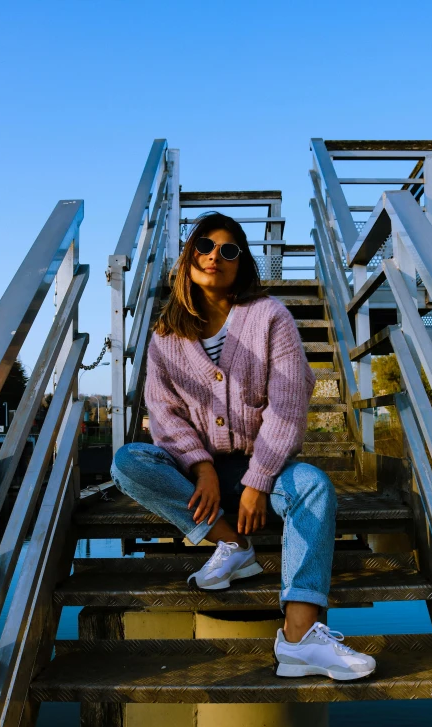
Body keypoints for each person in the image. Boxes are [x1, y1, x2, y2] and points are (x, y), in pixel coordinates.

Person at [111, 212, 375, 681]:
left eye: (229, 250)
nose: (215, 256)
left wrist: (257, 480)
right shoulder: (165, 337)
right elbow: (165, 415)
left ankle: (299, 640)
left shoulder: (270, 316)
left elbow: (289, 403)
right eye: (205, 247)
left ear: (242, 263)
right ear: (190, 256)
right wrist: (201, 468)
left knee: (313, 485)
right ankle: (231, 543)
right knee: (129, 462)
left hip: (266, 471)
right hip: (201, 482)